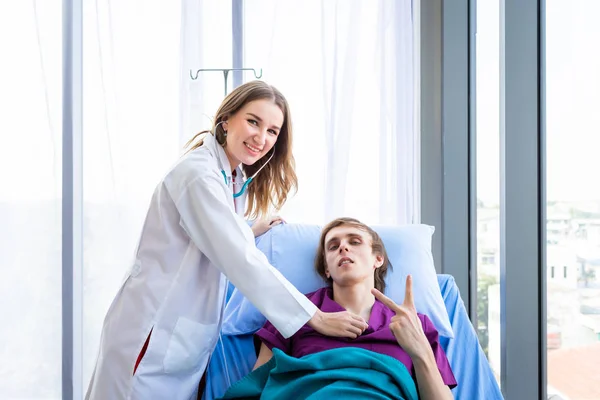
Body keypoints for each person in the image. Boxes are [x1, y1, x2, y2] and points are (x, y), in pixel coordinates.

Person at [85, 81, 368, 400]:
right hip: (150, 337)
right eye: (253, 121)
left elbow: (211, 236)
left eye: (273, 131)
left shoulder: (229, 178)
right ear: (226, 119)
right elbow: (240, 259)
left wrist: (247, 229)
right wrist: (314, 317)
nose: (261, 138)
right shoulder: (199, 176)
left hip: (177, 341)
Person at [254, 217, 457, 399]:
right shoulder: (293, 309)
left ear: (378, 259)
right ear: (327, 268)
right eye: (333, 247)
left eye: (354, 241)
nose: (343, 247)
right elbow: (258, 386)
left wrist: (420, 352)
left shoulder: (414, 323)